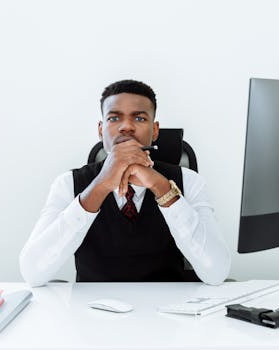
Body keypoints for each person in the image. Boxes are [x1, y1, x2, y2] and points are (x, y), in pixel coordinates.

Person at [19, 79, 230, 286]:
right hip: (90, 312)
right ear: (100, 129)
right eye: (114, 118)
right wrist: (100, 186)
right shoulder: (68, 184)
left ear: (155, 130)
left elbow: (217, 272)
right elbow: (32, 273)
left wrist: (162, 188)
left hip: (168, 310)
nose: (126, 127)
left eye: (139, 119)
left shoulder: (189, 181)